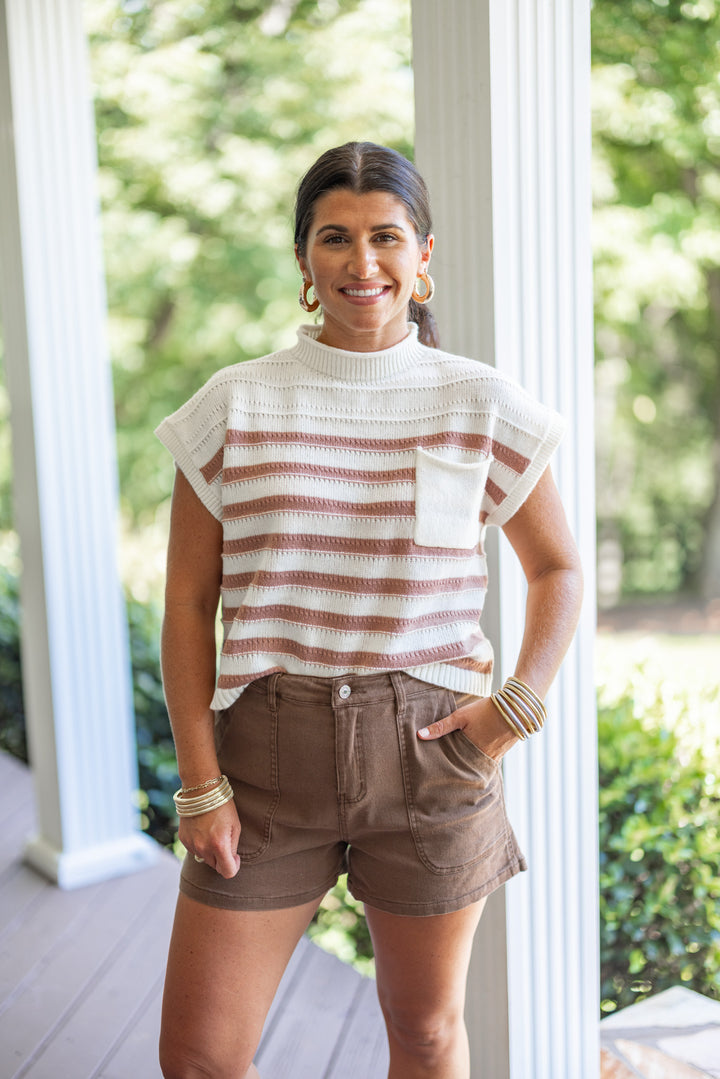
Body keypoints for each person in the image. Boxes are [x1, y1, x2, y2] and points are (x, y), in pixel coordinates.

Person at [155, 141, 583, 1079]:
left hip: (432, 756)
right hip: (265, 760)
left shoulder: (479, 401)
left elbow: (558, 570)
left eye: (386, 236)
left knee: (424, 1033)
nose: (362, 262)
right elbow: (188, 602)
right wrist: (200, 783)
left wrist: (515, 708)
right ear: (303, 257)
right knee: (197, 1056)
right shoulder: (233, 406)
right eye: (335, 237)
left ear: (423, 254)